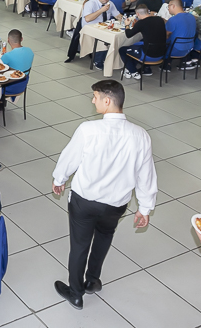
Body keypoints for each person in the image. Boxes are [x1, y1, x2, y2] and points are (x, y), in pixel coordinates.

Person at [52, 80, 156, 310]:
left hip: (84, 202)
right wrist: (145, 208)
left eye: (95, 97)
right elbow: (145, 174)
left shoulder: (88, 129)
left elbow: (70, 158)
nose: (93, 100)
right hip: (115, 205)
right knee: (104, 238)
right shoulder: (141, 135)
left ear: (107, 101)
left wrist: (59, 179)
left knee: (79, 245)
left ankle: (76, 293)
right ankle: (92, 280)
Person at [119, 5, 167, 79]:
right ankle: (130, 69)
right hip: (162, 53)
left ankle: (133, 71)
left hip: (148, 55)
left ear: (137, 14)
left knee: (122, 49)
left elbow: (128, 35)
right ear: (148, 11)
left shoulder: (141, 23)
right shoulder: (159, 19)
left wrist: (127, 25)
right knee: (137, 44)